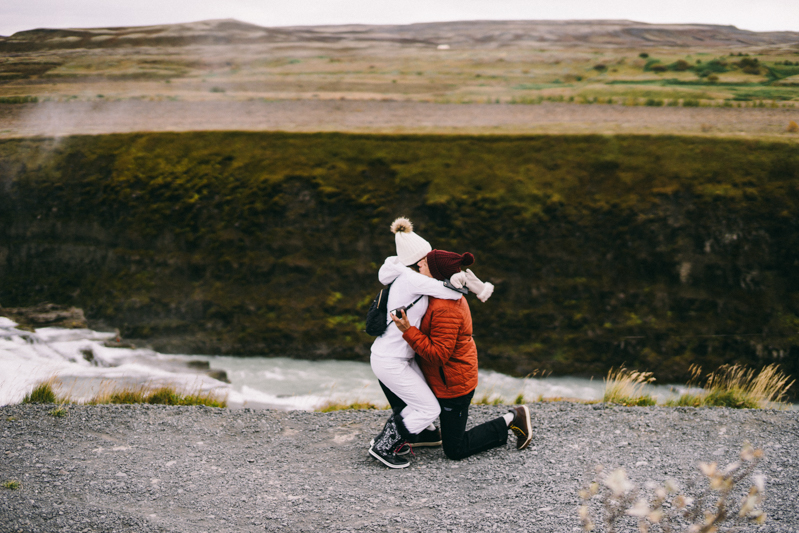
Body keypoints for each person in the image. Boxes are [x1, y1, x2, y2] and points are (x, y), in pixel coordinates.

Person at [389, 249, 533, 460]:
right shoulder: (436, 294)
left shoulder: (446, 308)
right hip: (440, 378)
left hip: (453, 386)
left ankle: (513, 418)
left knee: (455, 450)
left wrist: (408, 331)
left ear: (437, 273)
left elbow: (439, 356)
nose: (419, 264)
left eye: (425, 263)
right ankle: (426, 432)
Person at [368, 217, 487, 469]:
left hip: (393, 356)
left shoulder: (400, 271)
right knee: (429, 409)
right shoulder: (413, 280)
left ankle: (415, 435)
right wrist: (460, 279)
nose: (428, 261)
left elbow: (386, 270)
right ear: (418, 260)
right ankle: (384, 445)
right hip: (391, 360)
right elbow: (450, 292)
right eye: (426, 258)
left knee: (422, 401)